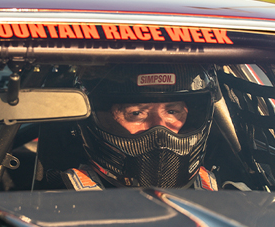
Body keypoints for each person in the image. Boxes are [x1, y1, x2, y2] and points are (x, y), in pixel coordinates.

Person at [60, 64, 219, 190]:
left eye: (172, 112)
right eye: (136, 113)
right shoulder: (59, 198)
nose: (159, 128)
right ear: (107, 120)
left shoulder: (216, 191)